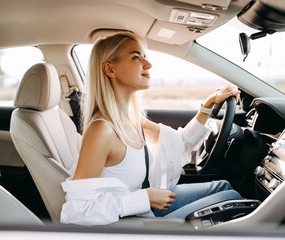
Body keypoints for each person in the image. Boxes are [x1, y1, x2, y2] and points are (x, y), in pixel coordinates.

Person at [60, 32, 242, 226]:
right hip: (132, 222)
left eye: (145, 56)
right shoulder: (102, 130)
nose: (148, 64)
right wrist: (143, 198)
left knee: (223, 187)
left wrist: (207, 106)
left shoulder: (132, 119)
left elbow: (180, 143)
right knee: (232, 198)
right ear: (110, 69)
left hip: (141, 209)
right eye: (136, 57)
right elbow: (78, 212)